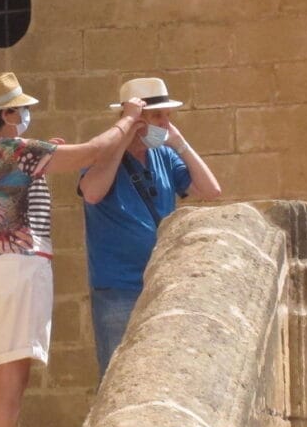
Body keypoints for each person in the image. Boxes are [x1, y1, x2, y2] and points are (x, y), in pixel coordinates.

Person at [0, 72, 145, 427]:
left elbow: (15, 186)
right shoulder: (21, 150)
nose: (26, 114)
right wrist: (128, 119)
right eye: (20, 108)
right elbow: (97, 151)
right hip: (20, 269)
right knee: (13, 379)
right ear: (7, 114)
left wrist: (50, 154)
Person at [78, 77, 222, 379]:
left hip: (161, 281)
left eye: (168, 116)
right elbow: (92, 192)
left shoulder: (164, 155)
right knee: (118, 377)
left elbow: (211, 191)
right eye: (158, 117)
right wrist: (121, 142)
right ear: (134, 119)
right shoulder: (102, 158)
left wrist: (180, 144)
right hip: (118, 289)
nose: (165, 124)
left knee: (164, 374)